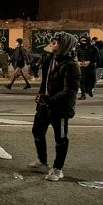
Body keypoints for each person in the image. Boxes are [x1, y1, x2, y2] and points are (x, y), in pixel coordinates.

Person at [26, 33, 80, 181]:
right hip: (45, 105)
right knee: (37, 130)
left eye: (56, 42)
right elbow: (46, 81)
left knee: (60, 138)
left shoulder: (71, 65)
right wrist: (41, 94)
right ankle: (43, 162)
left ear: (65, 45)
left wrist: (49, 99)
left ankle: (57, 169)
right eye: (53, 41)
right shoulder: (51, 59)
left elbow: (70, 91)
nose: (52, 44)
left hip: (60, 108)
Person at [76, 35, 99, 99]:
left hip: (91, 67)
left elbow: (97, 57)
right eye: (81, 40)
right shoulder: (79, 48)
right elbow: (76, 56)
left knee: (93, 80)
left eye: (84, 40)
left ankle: (89, 90)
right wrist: (79, 62)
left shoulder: (94, 48)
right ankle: (83, 95)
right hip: (82, 67)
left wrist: (90, 62)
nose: (83, 42)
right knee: (82, 80)